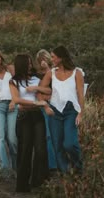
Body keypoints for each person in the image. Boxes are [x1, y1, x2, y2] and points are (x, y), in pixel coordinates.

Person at [39, 46, 85, 174]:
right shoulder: (51, 73)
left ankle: (79, 169)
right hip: (54, 112)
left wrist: (81, 113)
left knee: (69, 144)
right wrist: (45, 106)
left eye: (53, 57)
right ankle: (66, 175)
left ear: (61, 58)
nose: (51, 59)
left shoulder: (77, 72)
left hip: (71, 111)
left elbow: (81, 95)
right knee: (57, 146)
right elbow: (40, 91)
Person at [9, 53, 50, 193]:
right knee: (25, 150)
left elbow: (48, 92)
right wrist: (36, 102)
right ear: (21, 65)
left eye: (31, 63)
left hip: (37, 116)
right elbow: (17, 100)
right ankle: (22, 185)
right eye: (28, 63)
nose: (30, 66)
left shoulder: (36, 79)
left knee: (40, 149)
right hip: (24, 117)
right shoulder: (13, 81)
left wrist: (37, 89)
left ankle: (38, 182)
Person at [36, 49, 57, 171]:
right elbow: (38, 92)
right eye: (40, 60)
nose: (42, 62)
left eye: (44, 59)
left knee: (58, 134)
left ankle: (61, 161)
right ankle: (52, 165)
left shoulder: (55, 71)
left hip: (58, 105)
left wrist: (49, 68)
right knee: (48, 135)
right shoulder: (38, 75)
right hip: (45, 106)